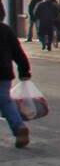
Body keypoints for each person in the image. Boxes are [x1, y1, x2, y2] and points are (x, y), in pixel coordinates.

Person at [1, 11, 32, 147]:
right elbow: (17, 52)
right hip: (4, 73)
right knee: (6, 102)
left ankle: (19, 128)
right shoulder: (6, 30)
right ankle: (18, 126)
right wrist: (24, 70)